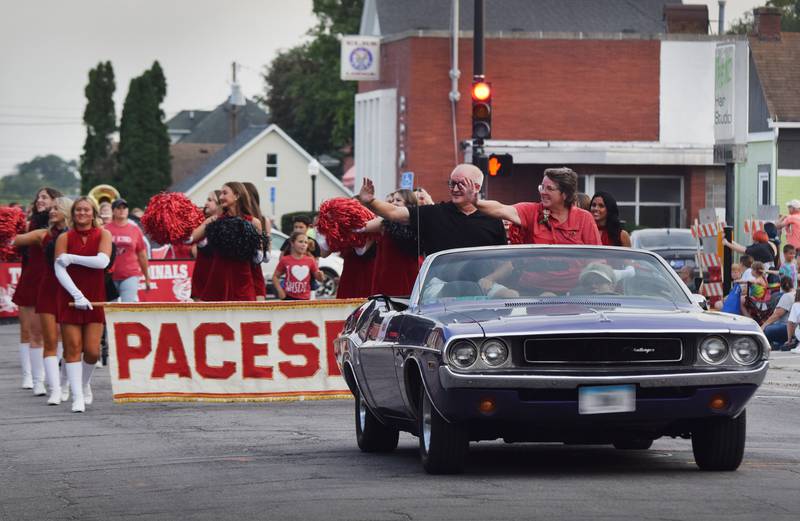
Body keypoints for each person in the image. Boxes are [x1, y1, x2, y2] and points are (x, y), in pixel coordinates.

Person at [357, 164, 506, 256]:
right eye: (451, 183)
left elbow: (504, 261)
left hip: (485, 290)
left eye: (461, 185)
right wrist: (370, 201)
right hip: (439, 289)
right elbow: (395, 213)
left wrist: (490, 279)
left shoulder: (492, 217)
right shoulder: (434, 213)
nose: (454, 189)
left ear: (477, 187)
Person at [54, 197, 113, 412]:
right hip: (69, 297)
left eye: (86, 210)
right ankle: (77, 396)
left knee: (92, 351)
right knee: (73, 348)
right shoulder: (64, 237)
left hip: (95, 297)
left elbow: (102, 262)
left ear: (93, 213)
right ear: (73, 213)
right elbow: (59, 269)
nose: (81, 213)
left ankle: (84, 384)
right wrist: (77, 295)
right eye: (78, 210)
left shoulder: (104, 234)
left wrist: (71, 257)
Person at [12, 196, 71, 403]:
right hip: (45, 288)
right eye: (51, 208)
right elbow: (14, 240)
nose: (52, 211)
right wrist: (8, 226)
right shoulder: (42, 234)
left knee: (68, 339)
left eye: (56, 208)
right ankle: (41, 381)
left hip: (69, 290)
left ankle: (64, 384)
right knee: (40, 335)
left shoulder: (78, 234)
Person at [464, 167, 601, 246]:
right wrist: (476, 202)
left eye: (549, 189)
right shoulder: (531, 212)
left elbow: (597, 258)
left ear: (565, 194)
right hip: (536, 288)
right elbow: (500, 209)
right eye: (542, 187)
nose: (542, 192)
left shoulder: (584, 218)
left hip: (578, 290)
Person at [191, 182, 262, 301]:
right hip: (219, 279)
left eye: (225, 193)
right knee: (214, 318)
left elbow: (258, 258)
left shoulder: (254, 222)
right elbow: (191, 238)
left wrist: (255, 250)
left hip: (242, 281)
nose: (221, 197)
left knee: (243, 317)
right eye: (221, 194)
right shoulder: (214, 220)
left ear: (237, 195)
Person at [361, 189, 420, 296]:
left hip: (408, 275)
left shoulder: (418, 223)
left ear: (409, 203)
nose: (393, 203)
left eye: (398, 200)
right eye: (392, 200)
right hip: (387, 276)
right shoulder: (384, 222)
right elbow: (362, 227)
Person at [105, 198, 150, 302]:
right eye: (118, 208)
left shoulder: (135, 229)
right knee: (110, 308)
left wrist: (147, 277)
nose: (122, 210)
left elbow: (142, 254)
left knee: (128, 304)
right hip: (109, 276)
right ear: (113, 211)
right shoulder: (105, 229)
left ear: (127, 211)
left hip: (130, 274)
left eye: (124, 208)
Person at [272, 232, 323, 300]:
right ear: (292, 243)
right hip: (288, 297)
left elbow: (319, 278)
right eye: (300, 242)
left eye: (306, 242)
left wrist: (321, 276)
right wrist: (280, 290)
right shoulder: (285, 260)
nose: (303, 245)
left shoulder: (310, 260)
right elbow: (275, 277)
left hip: (305, 299)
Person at [190, 190, 222, 300]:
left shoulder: (226, 224)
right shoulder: (201, 222)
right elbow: (192, 244)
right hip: (202, 277)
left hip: (217, 280)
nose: (205, 203)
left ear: (219, 204)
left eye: (210, 200)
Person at [761, 276, 795, 349]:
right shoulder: (795, 293)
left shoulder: (787, 296)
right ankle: (779, 343)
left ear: (781, 286)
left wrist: (763, 326)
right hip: (794, 327)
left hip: (786, 327)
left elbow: (777, 315)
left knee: (767, 330)